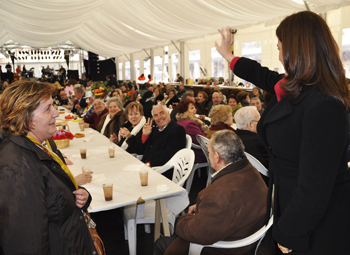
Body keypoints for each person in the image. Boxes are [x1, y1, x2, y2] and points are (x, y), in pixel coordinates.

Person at [216, 11, 350, 255]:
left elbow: (314, 189)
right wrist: (229, 56)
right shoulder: (299, 88)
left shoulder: (323, 106)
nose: (279, 56)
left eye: (280, 48)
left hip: (314, 225)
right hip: (292, 207)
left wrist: (289, 232)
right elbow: (261, 74)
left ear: (296, 51)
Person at [0, 81, 96, 254]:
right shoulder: (18, 168)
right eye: (48, 108)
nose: (55, 112)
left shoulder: (41, 145)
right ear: (25, 118)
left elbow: (52, 190)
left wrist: (81, 194)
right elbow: (26, 244)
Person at [154, 130, 268, 255]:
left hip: (223, 248)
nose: (208, 155)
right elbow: (231, 205)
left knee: (160, 243)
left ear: (217, 157)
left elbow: (199, 233)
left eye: (209, 152)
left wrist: (181, 220)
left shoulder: (218, 195)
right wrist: (204, 208)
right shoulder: (250, 170)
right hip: (244, 236)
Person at [140, 104, 186, 175]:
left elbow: (169, 154)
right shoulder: (155, 129)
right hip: (147, 168)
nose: (159, 117)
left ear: (168, 113)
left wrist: (148, 164)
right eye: (156, 115)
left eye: (162, 113)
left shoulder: (177, 130)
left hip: (163, 171)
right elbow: (144, 150)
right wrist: (145, 135)